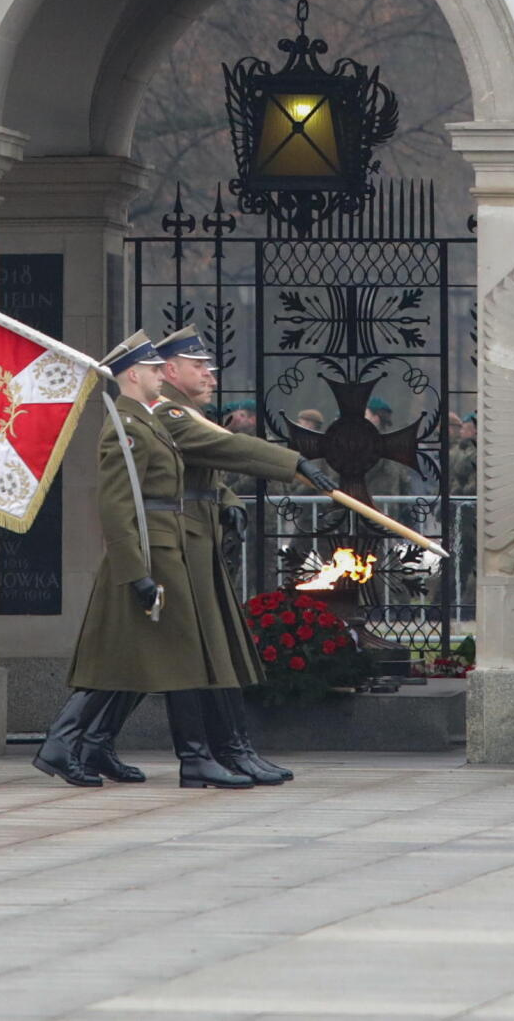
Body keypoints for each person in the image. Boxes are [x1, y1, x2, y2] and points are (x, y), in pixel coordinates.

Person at [34, 333, 337, 790]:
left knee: (147, 657)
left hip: (173, 548)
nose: (162, 374)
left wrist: (228, 499)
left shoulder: (151, 421)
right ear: (136, 374)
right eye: (157, 368)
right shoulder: (140, 424)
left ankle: (92, 743)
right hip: (157, 555)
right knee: (167, 655)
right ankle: (184, 756)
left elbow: (201, 470)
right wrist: (294, 462)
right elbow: (118, 507)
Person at [152, 327, 334, 785]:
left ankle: (229, 749)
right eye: (200, 367)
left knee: (210, 649)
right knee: (178, 656)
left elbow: (208, 478)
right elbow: (226, 450)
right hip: (179, 547)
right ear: (170, 371)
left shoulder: (189, 413)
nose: (210, 376)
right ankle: (206, 754)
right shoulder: (170, 414)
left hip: (200, 546)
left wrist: (229, 506)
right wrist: (291, 464)